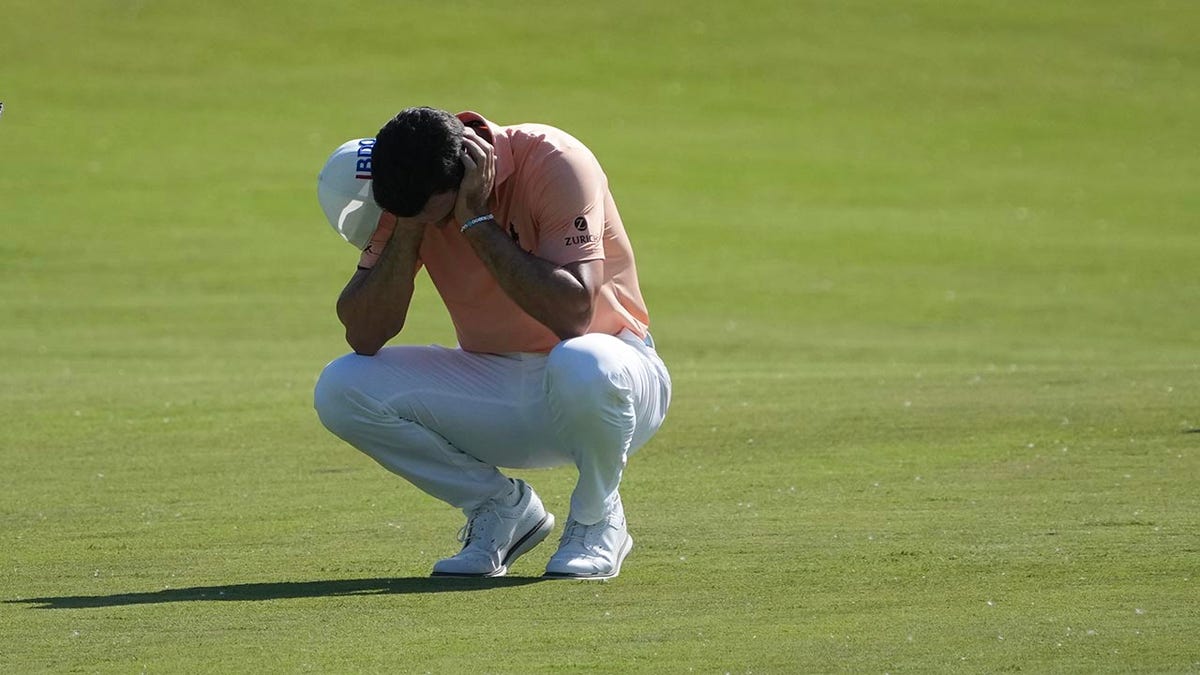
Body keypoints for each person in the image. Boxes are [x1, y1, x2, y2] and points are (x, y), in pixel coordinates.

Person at [312, 107, 671, 579]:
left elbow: (575, 316)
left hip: (614, 379)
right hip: (497, 384)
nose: (432, 227)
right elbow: (364, 334)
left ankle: (597, 519)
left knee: (582, 360)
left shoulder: (554, 160)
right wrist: (409, 228)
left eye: (433, 214)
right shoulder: (405, 190)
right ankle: (501, 510)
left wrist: (476, 221)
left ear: (464, 173)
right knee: (341, 386)